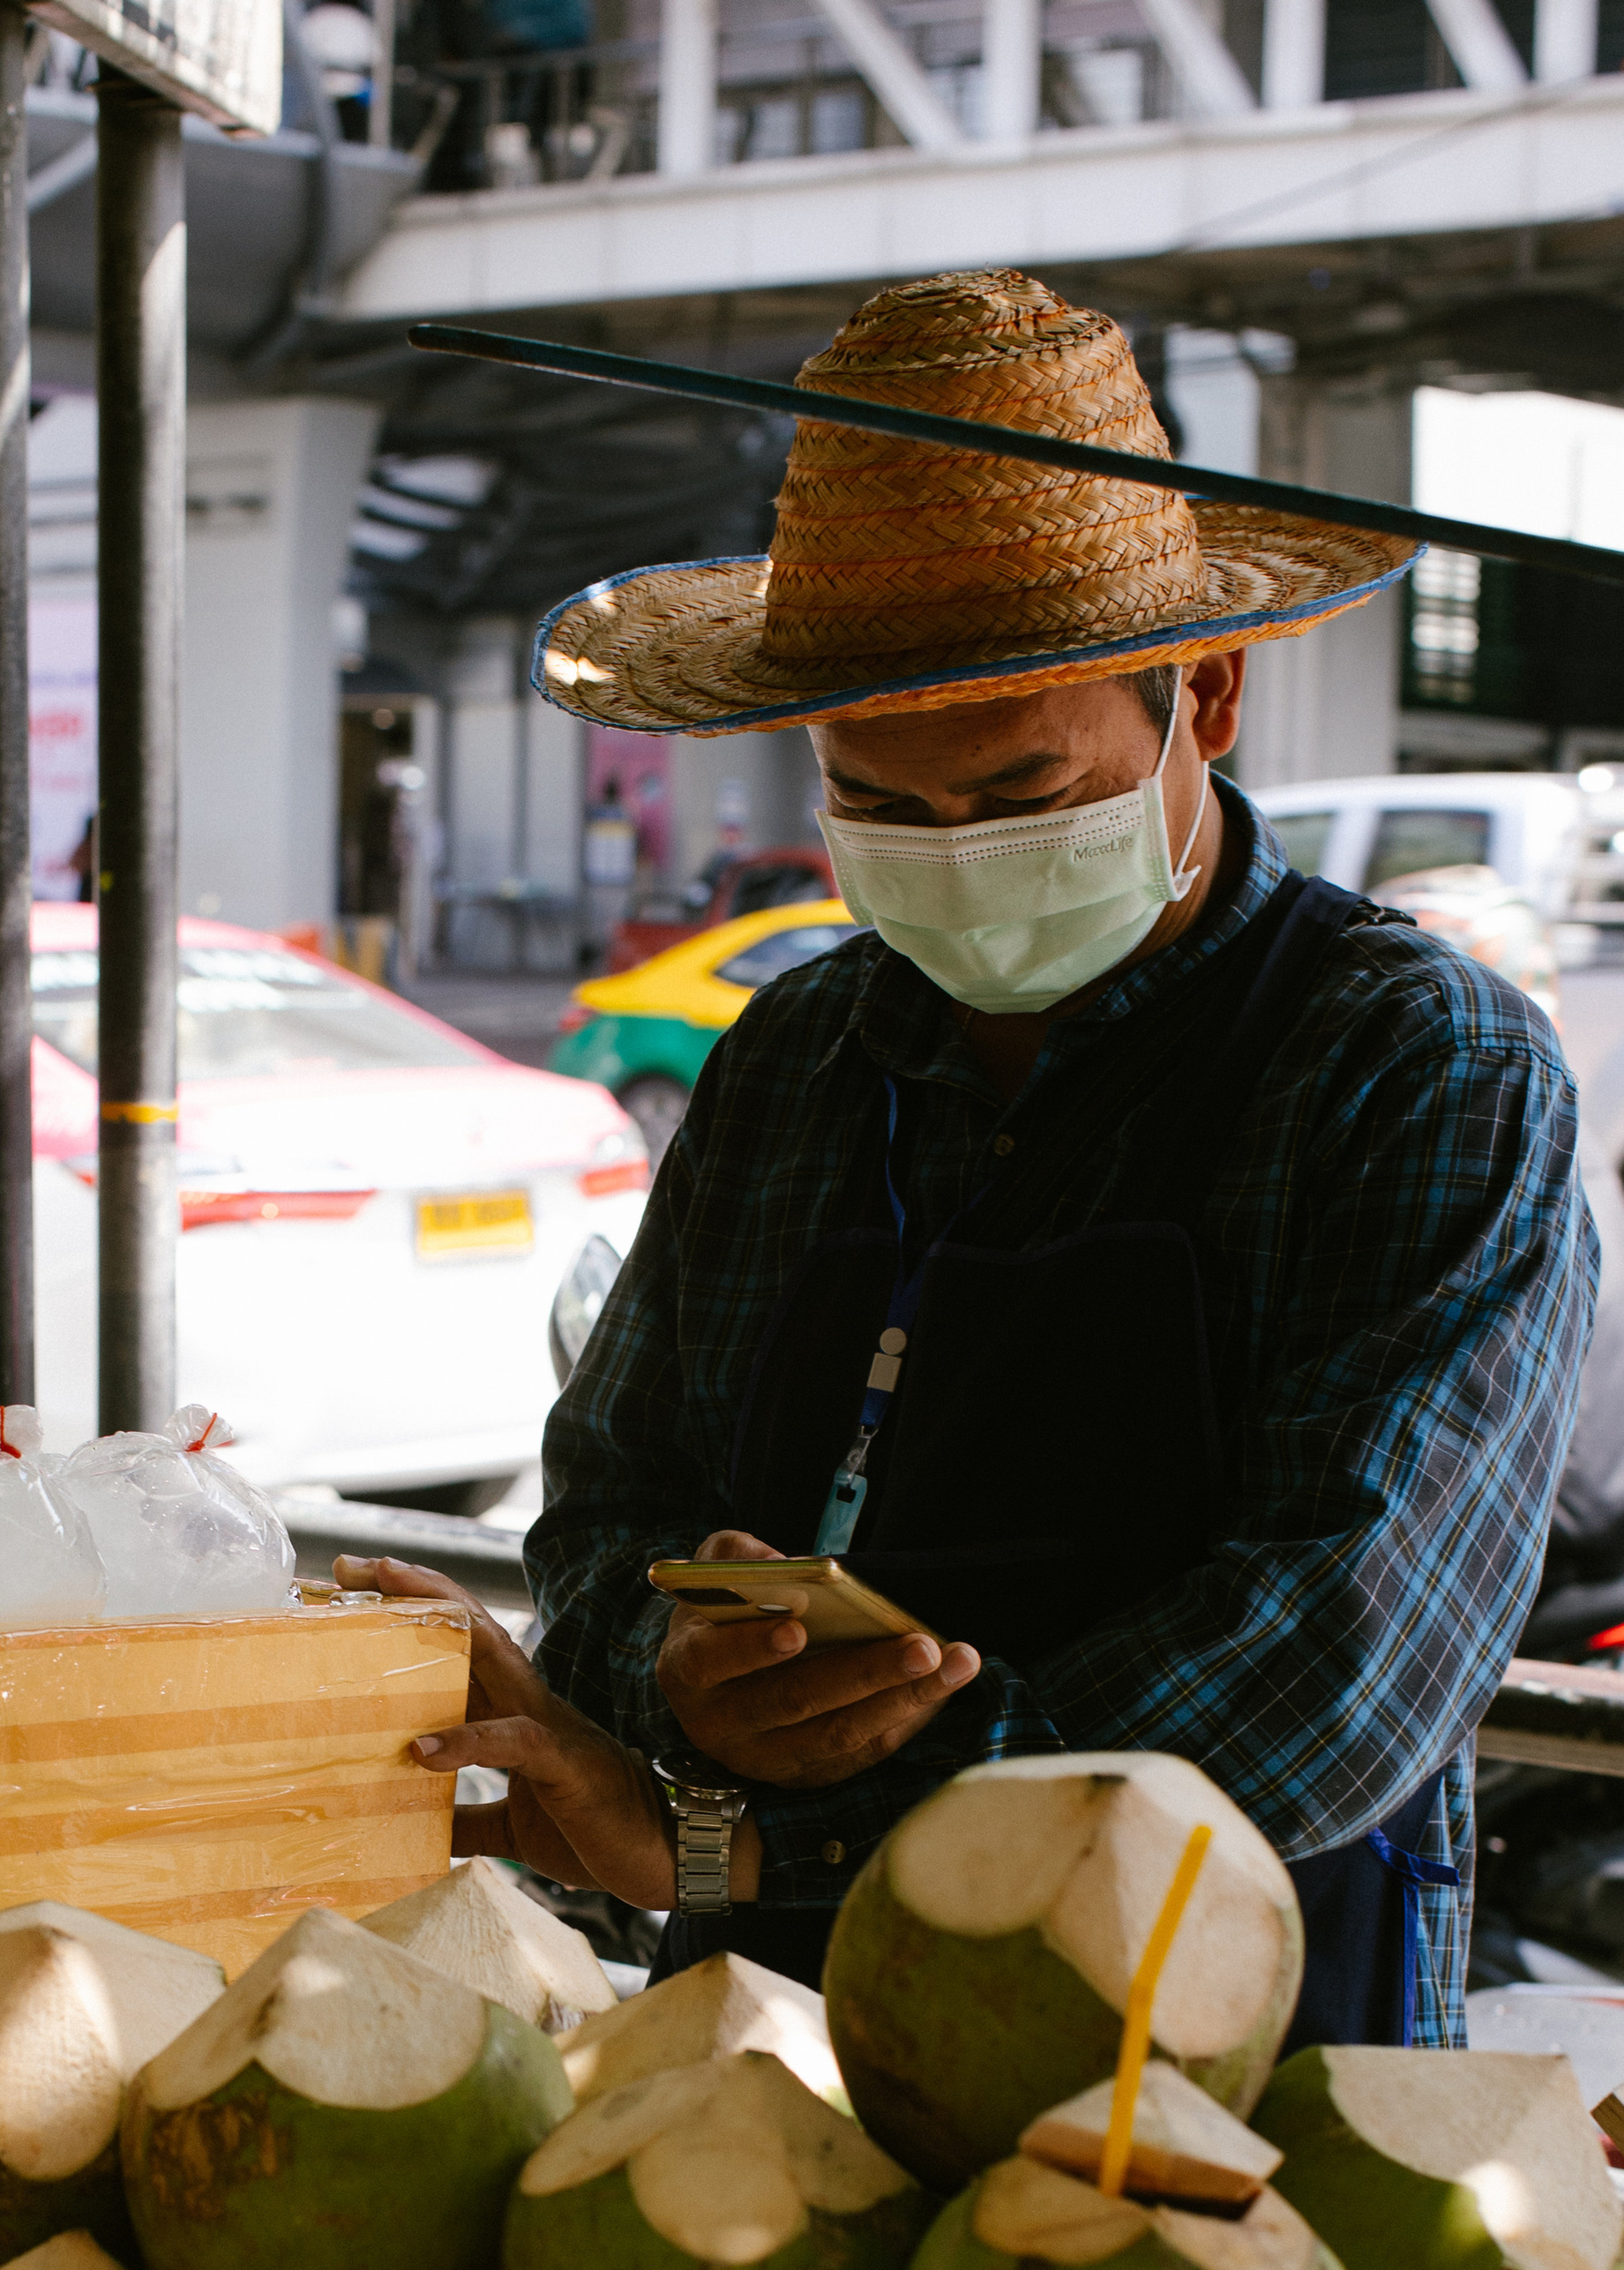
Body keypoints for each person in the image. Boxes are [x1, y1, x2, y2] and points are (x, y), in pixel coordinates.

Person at [342, 268, 1592, 2049]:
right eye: (878, 806)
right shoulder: (791, 1058)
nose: (952, 856)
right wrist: (672, 1679)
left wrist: (756, 1829)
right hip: (767, 2054)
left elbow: (1340, 1650)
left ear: (1205, 699)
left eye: (1018, 798)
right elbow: (613, 1492)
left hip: (1214, 2047)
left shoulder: (1409, 1065)